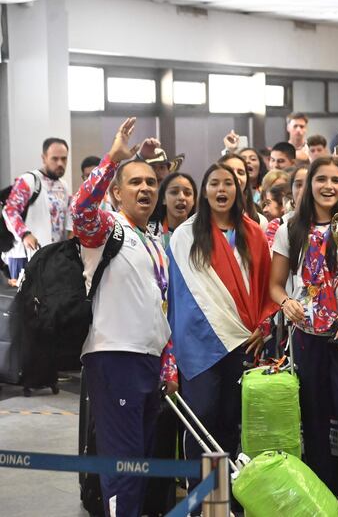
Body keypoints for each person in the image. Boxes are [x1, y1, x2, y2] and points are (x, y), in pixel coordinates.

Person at [71, 118, 175, 517]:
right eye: (135, 182)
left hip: (149, 362)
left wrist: (167, 364)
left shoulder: (154, 241)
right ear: (115, 192)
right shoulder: (106, 229)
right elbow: (80, 209)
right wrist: (114, 157)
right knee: (124, 465)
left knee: (141, 463)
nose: (146, 188)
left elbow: (158, 307)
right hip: (114, 356)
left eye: (151, 182)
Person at [269, 156, 338, 517]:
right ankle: (320, 494)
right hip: (307, 338)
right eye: (322, 179)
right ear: (308, 185)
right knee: (313, 419)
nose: (329, 186)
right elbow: (274, 285)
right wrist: (286, 303)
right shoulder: (291, 229)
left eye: (336, 180)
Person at [167, 162, 275, 515]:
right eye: (214, 183)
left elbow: (264, 286)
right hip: (199, 346)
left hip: (243, 342)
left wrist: (264, 324)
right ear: (205, 190)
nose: (221, 189)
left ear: (238, 190)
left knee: (231, 425)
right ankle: (204, 505)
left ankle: (228, 503)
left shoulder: (254, 233)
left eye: (228, 183)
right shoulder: (185, 235)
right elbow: (182, 296)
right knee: (202, 426)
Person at [3, 137, 72, 280]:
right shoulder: (28, 180)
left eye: (64, 159)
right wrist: (25, 234)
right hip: (25, 255)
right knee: (22, 301)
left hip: (53, 257)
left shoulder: (64, 186)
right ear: (44, 158)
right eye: (55, 158)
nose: (60, 163)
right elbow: (10, 210)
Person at [148, 172, 197, 248]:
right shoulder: (149, 233)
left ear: (194, 200)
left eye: (187, 193)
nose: (181, 197)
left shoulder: (201, 234)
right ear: (163, 199)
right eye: (174, 192)